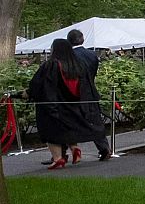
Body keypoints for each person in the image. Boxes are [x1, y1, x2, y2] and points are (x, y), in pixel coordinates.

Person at [26, 38, 106, 169]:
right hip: (72, 104)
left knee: (51, 132)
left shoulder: (51, 65)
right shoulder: (77, 66)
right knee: (68, 128)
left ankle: (58, 159)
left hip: (54, 105)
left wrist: (28, 93)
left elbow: (40, 85)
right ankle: (74, 148)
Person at [68, 28, 113, 160]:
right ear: (83, 39)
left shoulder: (70, 56)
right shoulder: (92, 55)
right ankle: (104, 148)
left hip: (75, 93)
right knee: (96, 122)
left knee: (69, 120)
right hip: (90, 91)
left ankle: (66, 151)